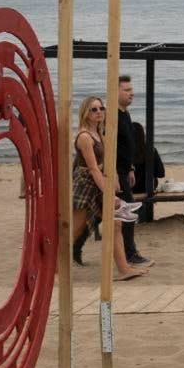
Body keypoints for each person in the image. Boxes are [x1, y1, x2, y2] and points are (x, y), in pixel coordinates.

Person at [71, 95, 147, 280]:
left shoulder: (99, 133)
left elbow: (106, 161)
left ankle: (123, 269)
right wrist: (109, 193)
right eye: (94, 109)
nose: (99, 112)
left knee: (116, 224)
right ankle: (53, 268)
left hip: (98, 181)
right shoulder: (84, 136)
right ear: (85, 113)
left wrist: (115, 178)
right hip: (86, 185)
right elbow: (93, 169)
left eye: (101, 108)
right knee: (75, 230)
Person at [116, 75, 152, 267]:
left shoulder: (125, 114)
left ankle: (75, 249)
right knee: (127, 211)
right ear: (115, 92)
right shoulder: (112, 116)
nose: (132, 93)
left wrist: (130, 167)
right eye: (127, 90)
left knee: (121, 211)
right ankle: (130, 254)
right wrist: (115, 173)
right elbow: (109, 147)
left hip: (124, 170)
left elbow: (126, 145)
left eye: (132, 90)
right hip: (115, 173)